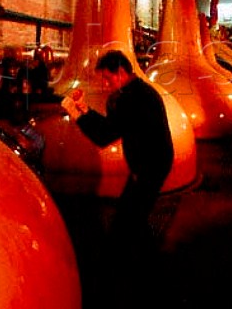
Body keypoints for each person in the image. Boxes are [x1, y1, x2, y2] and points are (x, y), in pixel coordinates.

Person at [61, 49, 174, 307]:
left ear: (121, 72)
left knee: (125, 223)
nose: (106, 84)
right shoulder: (140, 92)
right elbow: (115, 126)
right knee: (134, 214)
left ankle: (131, 281)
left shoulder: (131, 99)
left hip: (149, 167)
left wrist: (77, 114)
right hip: (154, 163)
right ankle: (146, 263)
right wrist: (86, 110)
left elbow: (104, 135)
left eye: (108, 78)